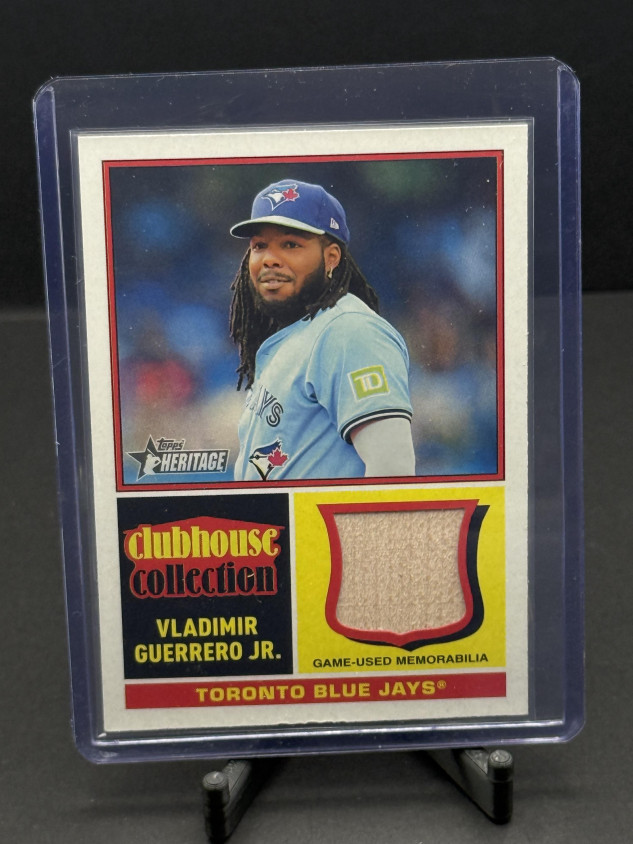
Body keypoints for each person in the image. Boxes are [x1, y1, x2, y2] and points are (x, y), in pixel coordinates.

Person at [228, 179, 415, 481]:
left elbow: (393, 470)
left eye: (291, 244)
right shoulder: (300, 334)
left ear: (331, 258)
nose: (270, 259)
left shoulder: (349, 330)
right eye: (260, 246)